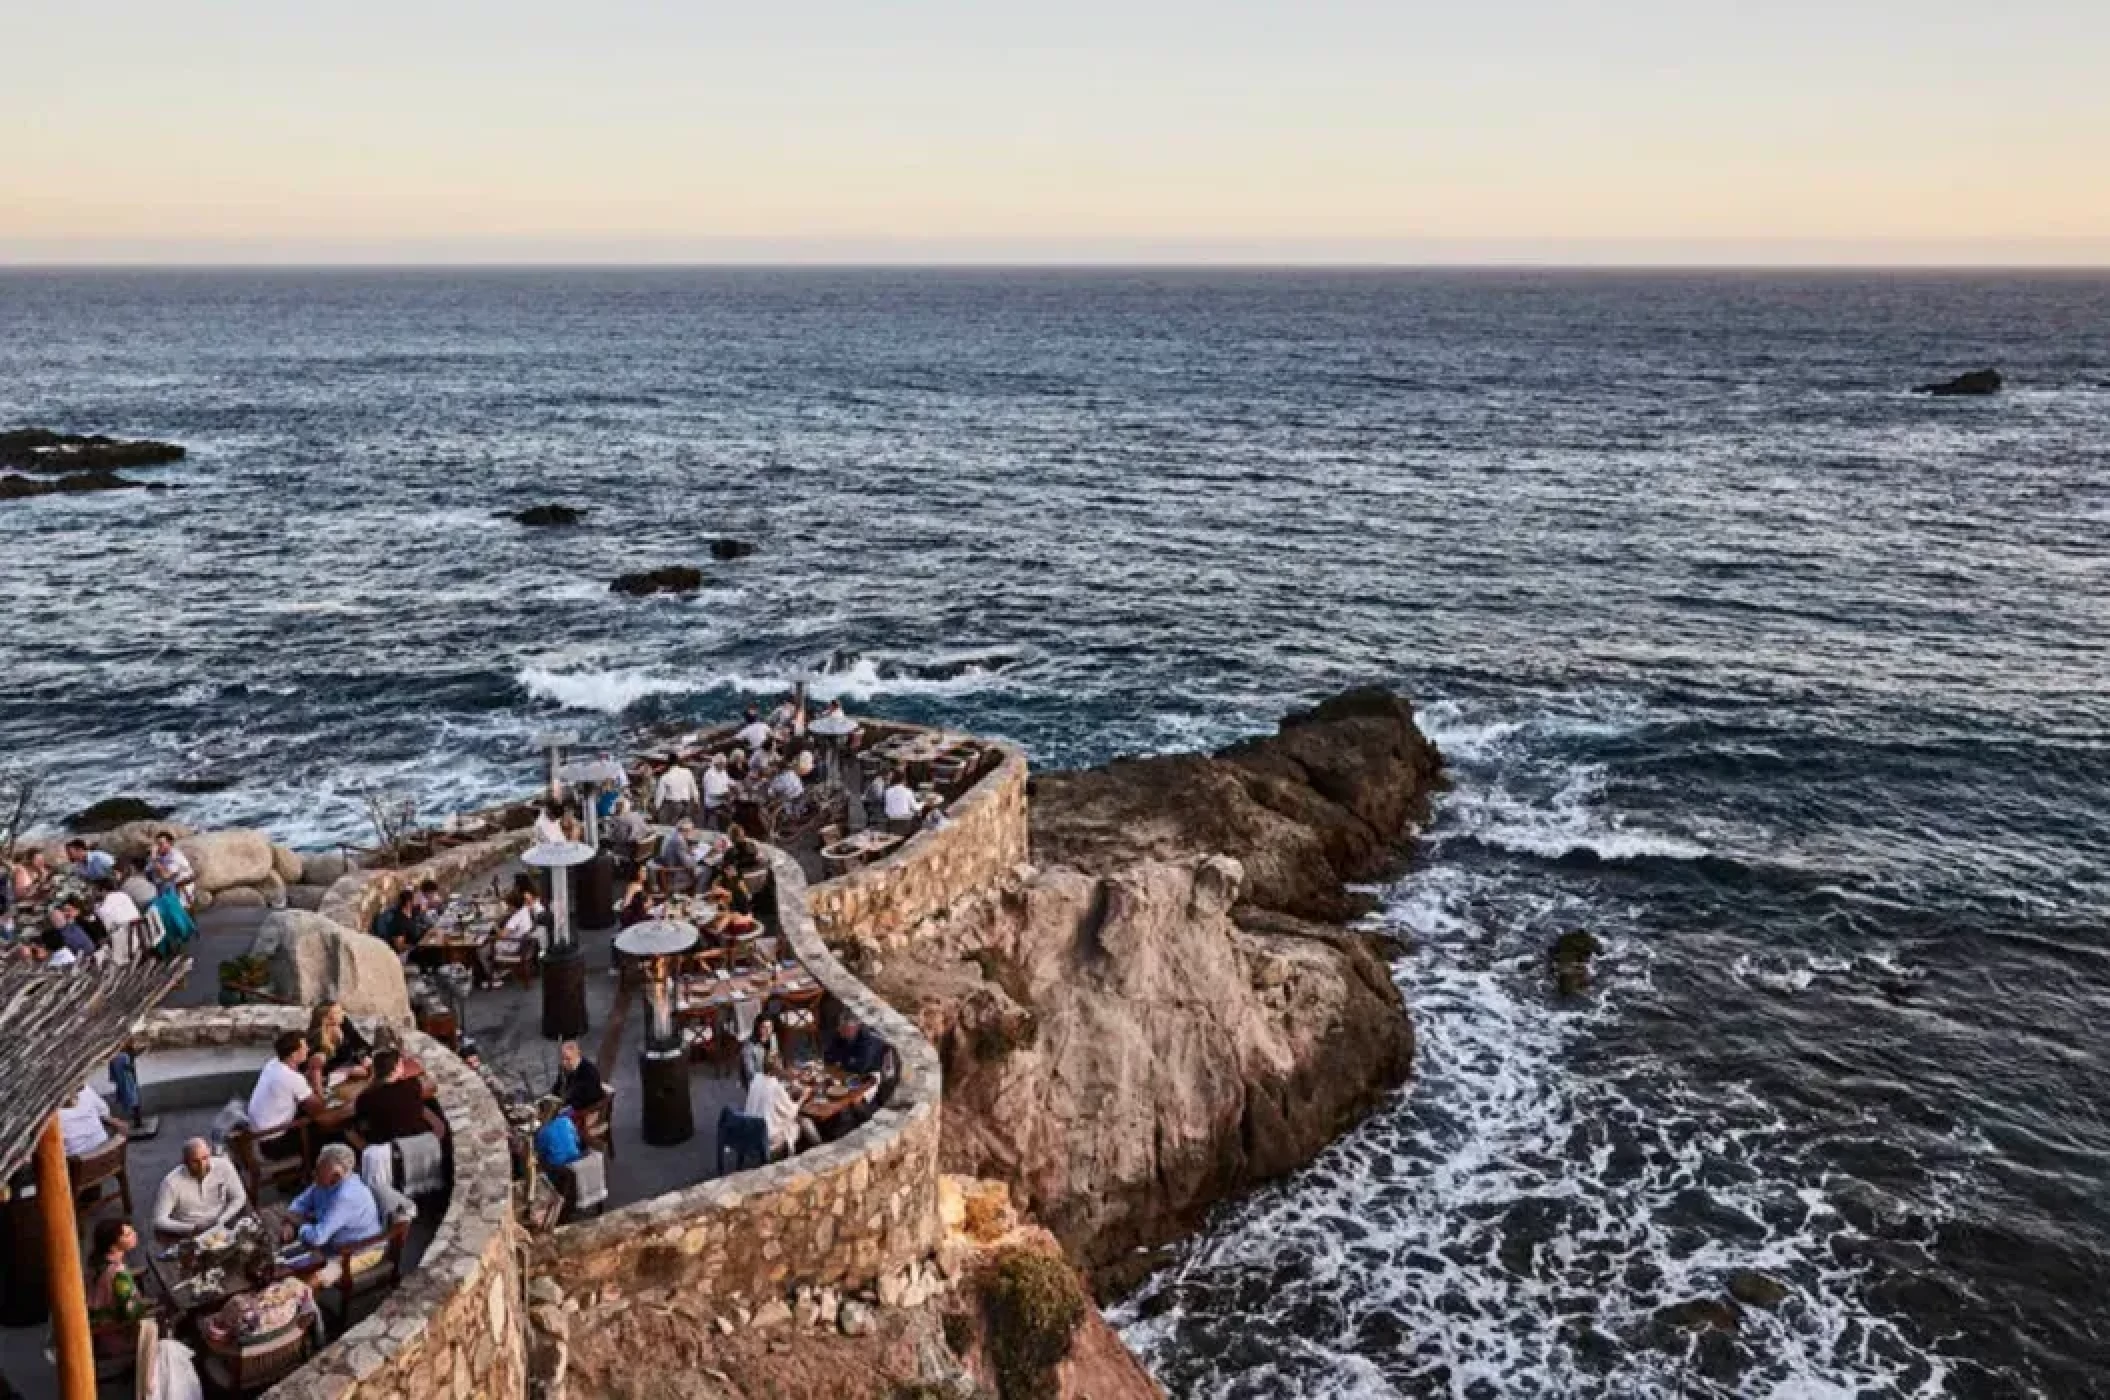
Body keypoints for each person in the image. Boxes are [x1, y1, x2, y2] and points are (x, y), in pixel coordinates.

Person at [283, 1145, 383, 1274]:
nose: (314, 1173)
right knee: (286, 1258)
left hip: (360, 1252)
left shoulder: (346, 1197)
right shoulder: (323, 1181)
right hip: (331, 1242)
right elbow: (301, 1201)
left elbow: (318, 1238)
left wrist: (299, 1224)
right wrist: (289, 1222)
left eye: (319, 1170)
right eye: (316, 1168)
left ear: (336, 1176)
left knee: (313, 1277)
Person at [201, 1251, 315, 1350]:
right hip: (276, 1325)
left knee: (206, 1316)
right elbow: (308, 1305)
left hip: (251, 1334)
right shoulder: (293, 1284)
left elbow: (223, 1331)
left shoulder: (239, 1306)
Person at [151, 1137, 248, 1238]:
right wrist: (192, 1228)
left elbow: (239, 1197)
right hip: (190, 1233)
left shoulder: (224, 1166)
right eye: (195, 1161)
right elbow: (159, 1220)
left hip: (223, 1224)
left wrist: (222, 1219)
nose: (202, 1166)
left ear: (210, 1153)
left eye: (205, 1158)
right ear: (184, 1161)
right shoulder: (170, 1183)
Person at [86, 1218, 151, 1363]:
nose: (134, 1234)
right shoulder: (119, 1275)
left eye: (131, 1230)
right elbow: (130, 1312)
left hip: (98, 1320)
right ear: (113, 1247)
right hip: (115, 1334)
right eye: (127, 1235)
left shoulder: (96, 1261)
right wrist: (150, 1304)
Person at [247, 1031, 323, 1142]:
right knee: (324, 1131)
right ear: (293, 1054)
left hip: (258, 1129)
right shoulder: (291, 1077)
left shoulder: (273, 1063)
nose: (308, 1050)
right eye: (304, 1047)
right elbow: (318, 1108)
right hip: (272, 1138)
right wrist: (317, 1070)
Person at [743, 1050, 818, 1157]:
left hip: (752, 1130)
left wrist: (788, 1091)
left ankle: (811, 1147)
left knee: (797, 1120)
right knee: (805, 1122)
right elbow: (792, 1112)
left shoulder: (756, 1079)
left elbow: (769, 1099)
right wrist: (803, 1097)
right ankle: (819, 1147)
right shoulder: (776, 1087)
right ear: (779, 1069)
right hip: (769, 1137)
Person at [354, 1049, 436, 1144]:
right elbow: (431, 1085)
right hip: (414, 1137)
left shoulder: (366, 1097)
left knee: (350, 1131)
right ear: (396, 1069)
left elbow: (363, 1123)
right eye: (401, 1065)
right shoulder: (412, 1085)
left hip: (386, 1143)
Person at [305, 1001, 371, 1086]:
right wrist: (348, 1070)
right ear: (327, 1018)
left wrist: (364, 1057)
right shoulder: (316, 1038)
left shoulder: (343, 1023)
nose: (343, 1013)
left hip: (352, 1062)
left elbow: (358, 1041)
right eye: (338, 1012)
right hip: (332, 1072)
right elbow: (318, 1067)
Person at [59, 1081, 122, 1157]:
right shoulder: (86, 1090)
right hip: (105, 1151)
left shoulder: (50, 1109)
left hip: (76, 1160)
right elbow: (104, 1111)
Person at [824, 1013, 890, 1077]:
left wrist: (840, 1060)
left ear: (857, 1027)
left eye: (845, 1027)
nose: (839, 1029)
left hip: (872, 1075)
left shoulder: (868, 1039)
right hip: (851, 1072)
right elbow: (828, 1055)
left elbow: (860, 1067)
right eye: (840, 1026)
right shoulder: (842, 1035)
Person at [551, 1040, 604, 1113]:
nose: (564, 1063)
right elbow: (557, 1086)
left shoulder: (590, 1072)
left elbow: (589, 1098)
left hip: (587, 1108)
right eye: (563, 1058)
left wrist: (569, 1108)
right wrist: (551, 1098)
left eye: (568, 1059)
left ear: (578, 1054)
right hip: (568, 1102)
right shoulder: (564, 1068)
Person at [149, 832, 194, 902]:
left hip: (181, 891)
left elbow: (166, 875)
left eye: (161, 844)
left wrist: (154, 859)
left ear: (169, 843)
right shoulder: (161, 856)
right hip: (167, 889)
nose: (158, 847)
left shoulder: (175, 856)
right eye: (157, 844)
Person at [372, 888, 420, 953]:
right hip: (408, 953)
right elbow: (399, 946)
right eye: (415, 900)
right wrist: (416, 947)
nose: (417, 901)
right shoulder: (400, 921)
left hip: (418, 942)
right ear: (409, 903)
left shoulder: (410, 913)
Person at [653, 760, 701, 824]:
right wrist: (697, 802)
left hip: (673, 805)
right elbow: (694, 789)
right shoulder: (688, 772)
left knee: (672, 827)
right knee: (684, 826)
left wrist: (656, 809)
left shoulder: (665, 776)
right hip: (686, 805)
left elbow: (660, 795)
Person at [739, 1017, 776, 1090]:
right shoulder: (749, 1047)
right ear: (757, 1028)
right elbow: (750, 1073)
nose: (768, 1031)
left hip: (770, 1078)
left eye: (770, 1027)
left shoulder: (772, 1038)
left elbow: (775, 1060)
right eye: (764, 1027)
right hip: (755, 1084)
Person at [700, 754, 733, 822]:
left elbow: (728, 780)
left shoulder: (722, 771)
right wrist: (725, 795)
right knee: (729, 816)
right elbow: (711, 793)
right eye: (723, 764)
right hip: (713, 803)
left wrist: (737, 784)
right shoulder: (710, 775)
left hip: (723, 800)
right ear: (717, 764)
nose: (725, 766)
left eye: (725, 764)